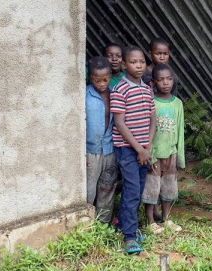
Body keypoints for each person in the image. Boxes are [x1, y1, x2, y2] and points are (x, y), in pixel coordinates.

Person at [110, 45, 156, 255]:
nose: (138, 66)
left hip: (143, 150)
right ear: (124, 64)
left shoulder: (147, 89)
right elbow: (119, 123)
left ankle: (127, 225)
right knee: (131, 190)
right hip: (127, 150)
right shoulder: (120, 89)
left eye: (141, 62)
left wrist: (147, 147)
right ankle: (129, 237)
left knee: (137, 189)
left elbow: (152, 120)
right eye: (133, 62)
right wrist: (138, 149)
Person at [141, 63, 184, 234]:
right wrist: (149, 155)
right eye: (160, 79)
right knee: (152, 187)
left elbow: (180, 130)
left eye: (169, 79)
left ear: (173, 81)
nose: (165, 83)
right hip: (155, 154)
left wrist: (179, 156)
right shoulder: (151, 101)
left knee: (169, 187)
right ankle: (150, 221)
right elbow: (145, 130)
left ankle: (166, 218)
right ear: (153, 82)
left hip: (171, 153)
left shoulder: (177, 104)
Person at [85, 56, 118, 224]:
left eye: (105, 79)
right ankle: (86, 224)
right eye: (97, 80)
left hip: (109, 149)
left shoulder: (115, 94)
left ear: (110, 75)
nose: (102, 84)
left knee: (107, 187)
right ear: (91, 77)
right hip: (91, 151)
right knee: (89, 190)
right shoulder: (85, 95)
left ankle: (103, 224)